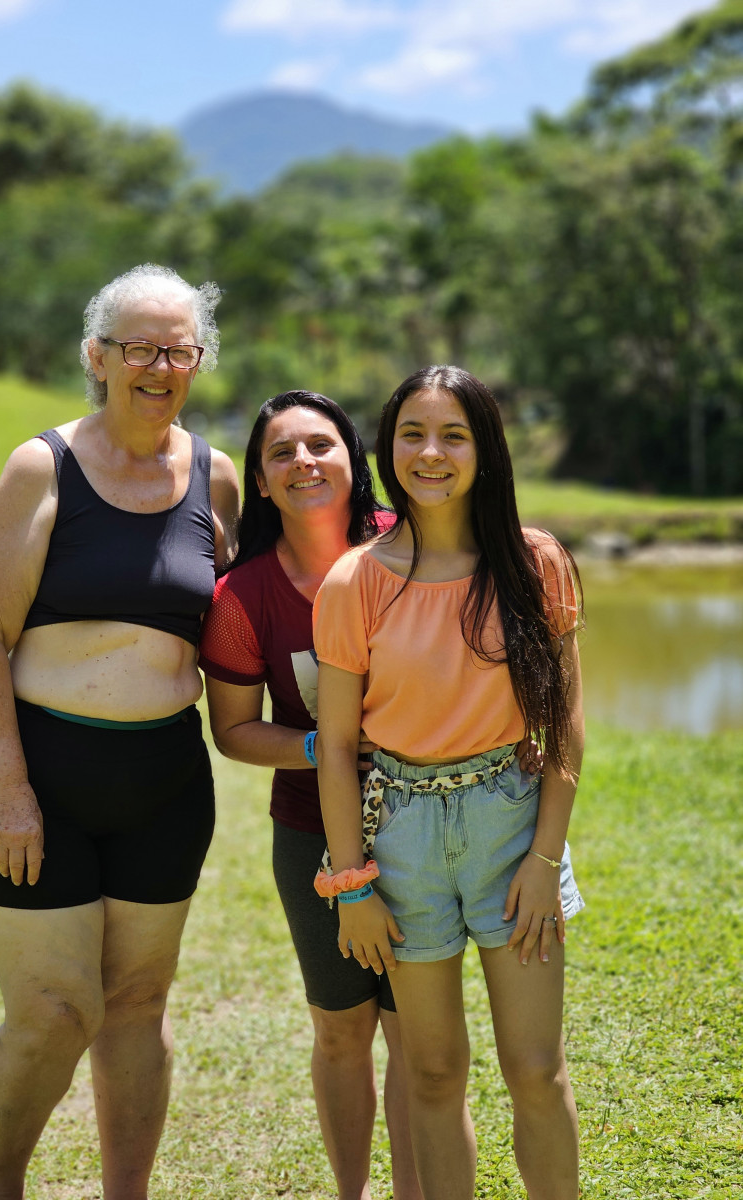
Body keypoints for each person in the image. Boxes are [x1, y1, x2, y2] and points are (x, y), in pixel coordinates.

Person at [0, 263, 240, 1200]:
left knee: (136, 1006)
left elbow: (252, 611)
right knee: (51, 1011)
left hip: (164, 779)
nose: (160, 366)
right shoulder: (45, 465)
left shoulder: (216, 476)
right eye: (138, 348)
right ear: (98, 356)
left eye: (179, 348)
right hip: (42, 774)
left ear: (198, 360)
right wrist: (7, 787)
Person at [313, 365, 585, 1200]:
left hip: (512, 823)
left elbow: (565, 728)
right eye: (412, 435)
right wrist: (354, 885)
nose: (431, 453)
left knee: (535, 1070)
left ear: (484, 449)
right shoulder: (354, 580)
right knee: (431, 1075)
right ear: (388, 449)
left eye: (453, 435)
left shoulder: (534, 561)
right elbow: (336, 746)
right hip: (402, 837)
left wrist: (544, 862)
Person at [199, 390, 422, 1200]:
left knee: (417, 1038)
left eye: (321, 445)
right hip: (309, 836)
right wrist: (324, 748)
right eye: (283, 453)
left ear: (353, 458)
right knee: (341, 1032)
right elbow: (232, 729)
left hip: (429, 824)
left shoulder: (414, 547)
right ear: (260, 480)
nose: (304, 463)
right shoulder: (241, 598)